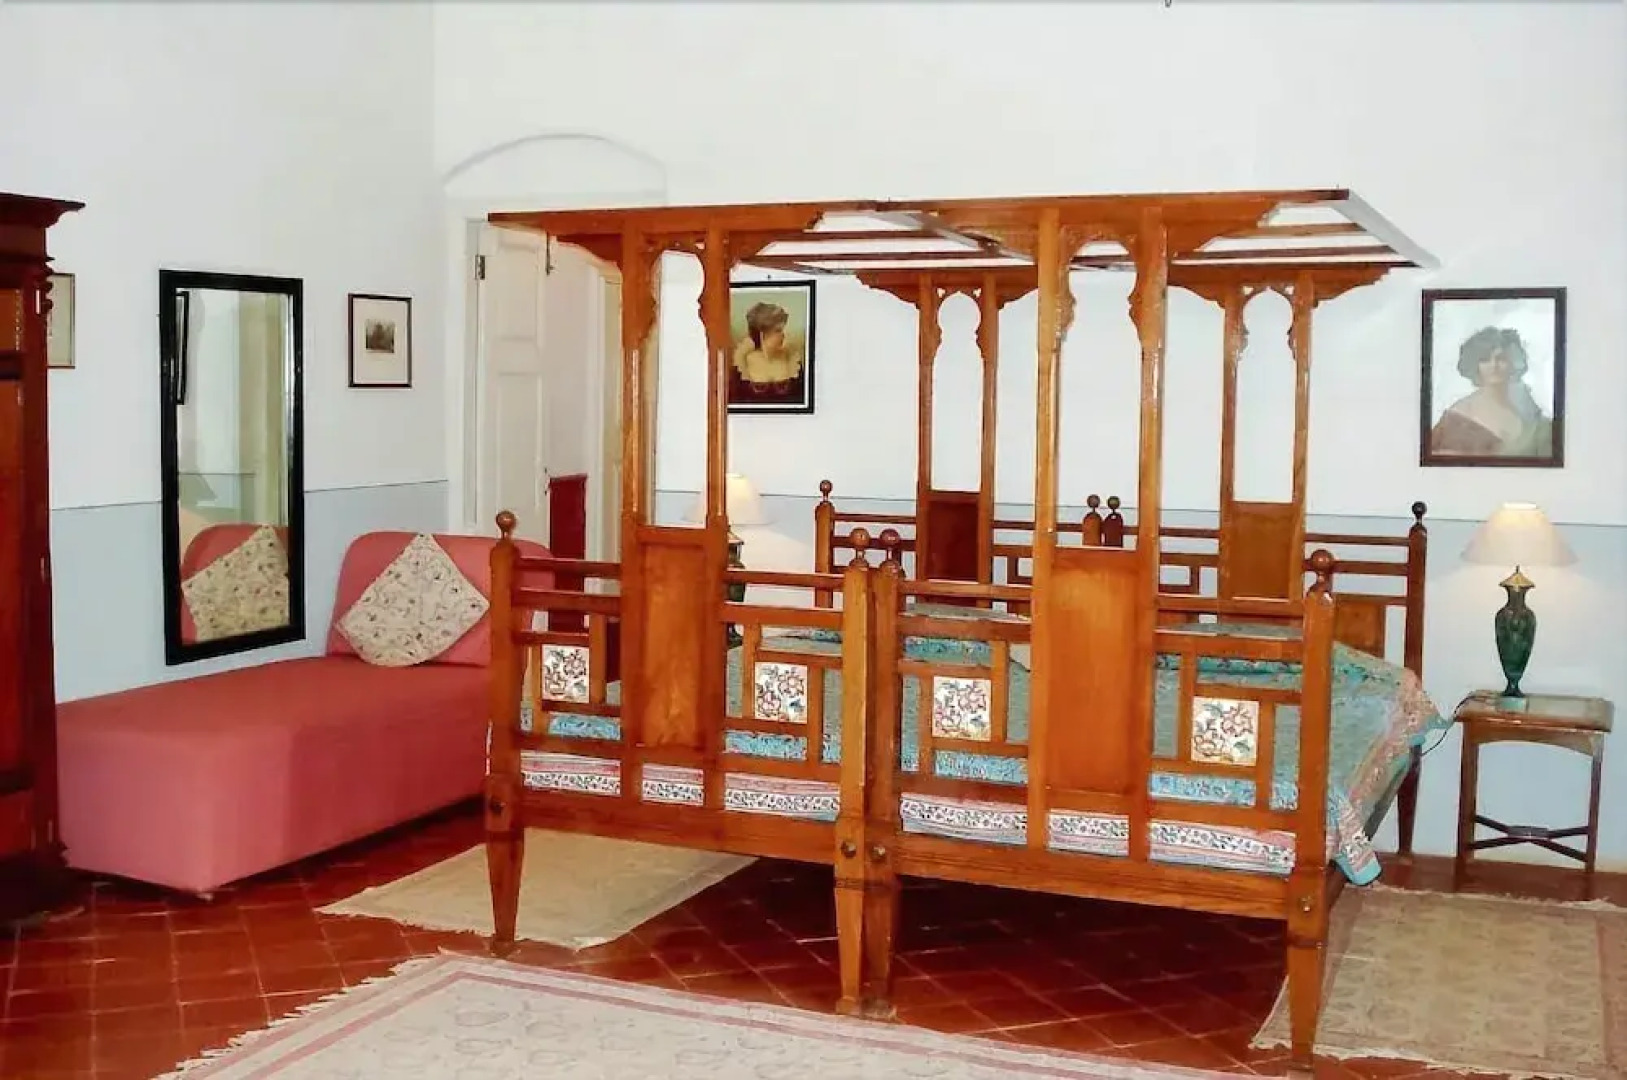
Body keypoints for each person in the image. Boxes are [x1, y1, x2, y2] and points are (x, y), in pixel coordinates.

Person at [1428, 326, 1552, 458]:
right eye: (1485, 359)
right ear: (1474, 365)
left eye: (1501, 358)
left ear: (1512, 363)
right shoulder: (1456, 419)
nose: (1494, 365)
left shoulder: (1528, 413)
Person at [732, 301, 805, 388]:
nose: (783, 335)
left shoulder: (792, 361)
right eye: (778, 331)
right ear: (762, 334)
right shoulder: (743, 365)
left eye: (782, 330)